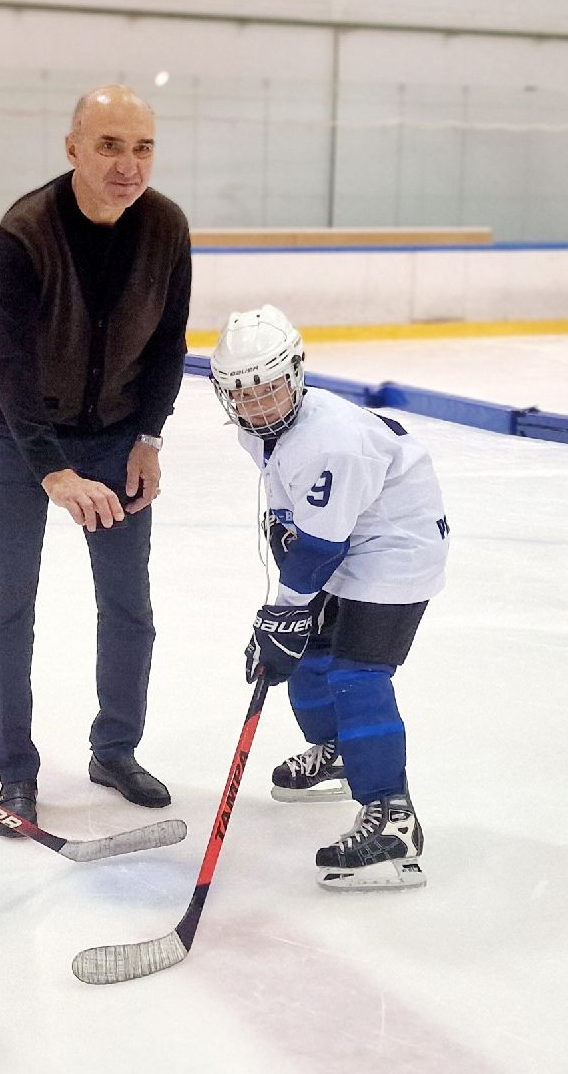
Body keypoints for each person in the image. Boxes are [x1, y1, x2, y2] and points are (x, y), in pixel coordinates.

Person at [0, 84, 192, 835]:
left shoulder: (165, 227)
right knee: (10, 602)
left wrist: (150, 437)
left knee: (128, 602)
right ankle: (14, 772)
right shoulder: (26, 230)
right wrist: (52, 469)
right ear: (73, 149)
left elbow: (169, 343)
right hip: (18, 436)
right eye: (109, 146)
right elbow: (10, 363)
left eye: (142, 148)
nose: (128, 165)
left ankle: (115, 749)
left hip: (117, 437)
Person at [211, 304, 449, 891]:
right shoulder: (260, 431)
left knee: (356, 676)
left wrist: (283, 613)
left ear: (296, 373)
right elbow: (298, 524)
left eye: (267, 389)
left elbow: (319, 547)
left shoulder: (330, 442)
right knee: (308, 657)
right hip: (351, 538)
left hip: (396, 549)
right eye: (241, 394)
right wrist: (286, 619)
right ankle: (339, 751)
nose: (256, 406)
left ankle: (394, 820)